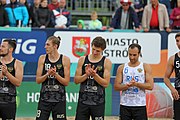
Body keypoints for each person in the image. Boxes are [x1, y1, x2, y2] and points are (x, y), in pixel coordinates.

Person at [74, 36, 112, 120]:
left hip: (98, 102)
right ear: (91, 46)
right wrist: (86, 75)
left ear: (103, 50)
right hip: (83, 101)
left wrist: (95, 75)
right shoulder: (82, 59)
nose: (94, 52)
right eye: (93, 49)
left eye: (98, 51)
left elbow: (106, 83)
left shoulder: (106, 62)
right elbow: (76, 80)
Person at [114, 43, 154, 120]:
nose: (132, 57)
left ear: (139, 54)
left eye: (134, 55)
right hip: (125, 105)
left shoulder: (145, 67)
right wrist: (127, 85)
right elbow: (116, 86)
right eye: (130, 54)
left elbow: (150, 86)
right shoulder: (122, 67)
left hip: (140, 105)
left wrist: (136, 84)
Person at [35, 36, 70, 120]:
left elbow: (66, 82)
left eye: (48, 45)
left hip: (59, 100)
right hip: (44, 99)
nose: (45, 47)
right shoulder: (42, 58)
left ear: (55, 46)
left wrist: (56, 75)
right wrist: (47, 74)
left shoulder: (65, 59)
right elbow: (38, 80)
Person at [0, 39, 23, 120]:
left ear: (10, 49)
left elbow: (18, 83)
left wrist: (7, 73)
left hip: (9, 101)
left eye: (3, 46)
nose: (0, 48)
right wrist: (1, 74)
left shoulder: (18, 63)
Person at [164, 32, 180, 120]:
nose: (179, 43)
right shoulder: (173, 58)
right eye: (177, 41)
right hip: (178, 93)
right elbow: (166, 78)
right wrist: (172, 89)